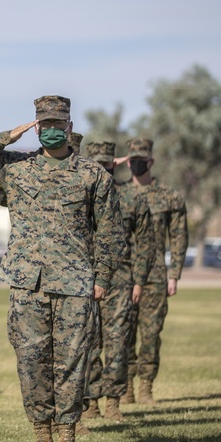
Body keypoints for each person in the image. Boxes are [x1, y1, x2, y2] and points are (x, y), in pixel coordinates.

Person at [0, 96, 126, 442]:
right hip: (27, 283)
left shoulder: (92, 174)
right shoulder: (15, 168)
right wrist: (8, 136)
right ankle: (41, 440)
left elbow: (111, 233)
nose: (51, 130)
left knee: (72, 361)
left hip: (75, 284)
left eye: (57, 123)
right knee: (31, 361)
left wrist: (102, 278)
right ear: (37, 126)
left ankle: (67, 439)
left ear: (69, 126)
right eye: (44, 124)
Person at [82, 141, 153, 422]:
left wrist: (138, 281)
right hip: (85, 280)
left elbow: (144, 243)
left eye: (106, 165)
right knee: (88, 344)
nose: (102, 169)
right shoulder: (79, 193)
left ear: (114, 164)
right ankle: (90, 404)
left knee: (117, 343)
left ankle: (113, 402)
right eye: (96, 164)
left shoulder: (131, 198)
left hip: (120, 280)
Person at [117, 138, 188, 405]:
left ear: (151, 161)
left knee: (150, 333)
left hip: (155, 276)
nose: (135, 164)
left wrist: (174, 275)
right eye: (131, 159)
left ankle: (146, 386)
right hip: (122, 275)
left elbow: (179, 237)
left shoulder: (169, 197)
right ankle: (124, 387)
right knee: (122, 333)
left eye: (140, 160)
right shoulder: (117, 193)